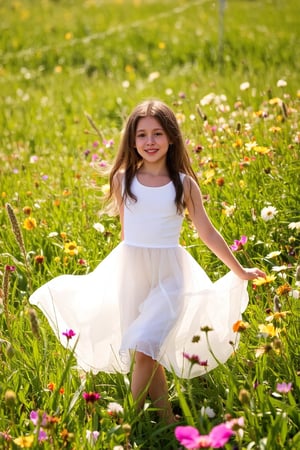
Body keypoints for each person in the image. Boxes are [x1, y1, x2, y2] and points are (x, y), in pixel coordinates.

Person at [29, 99, 266, 424]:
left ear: (171, 138)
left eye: (157, 133)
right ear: (132, 140)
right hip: (131, 275)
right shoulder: (123, 180)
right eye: (142, 135)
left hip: (170, 276)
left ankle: (128, 425)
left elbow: (207, 232)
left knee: (145, 348)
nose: (150, 142)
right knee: (147, 352)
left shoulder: (183, 185)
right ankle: (167, 421)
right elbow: (128, 237)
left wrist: (238, 269)